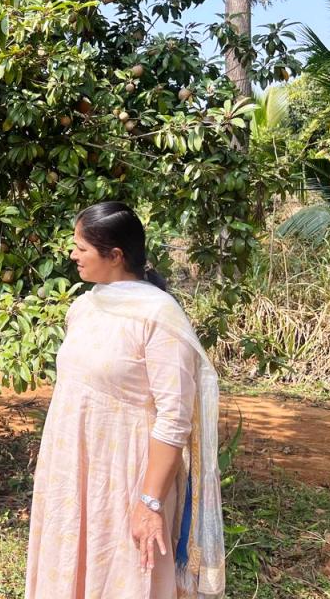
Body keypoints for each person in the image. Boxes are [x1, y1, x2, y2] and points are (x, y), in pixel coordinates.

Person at [25, 201, 225, 599]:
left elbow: (174, 418)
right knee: (69, 566)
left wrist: (149, 503)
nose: (72, 255)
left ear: (114, 256)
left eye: (81, 248)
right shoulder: (84, 307)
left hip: (128, 475)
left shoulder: (158, 317)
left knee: (121, 577)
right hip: (72, 472)